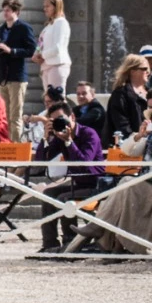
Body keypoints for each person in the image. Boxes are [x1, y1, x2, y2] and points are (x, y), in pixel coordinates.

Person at [73, 92, 152, 253]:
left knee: (125, 184)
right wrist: (139, 135)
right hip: (146, 186)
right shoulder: (150, 139)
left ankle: (100, 229)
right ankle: (116, 242)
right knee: (126, 189)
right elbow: (127, 150)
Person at [35, 102, 106, 254]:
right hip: (78, 184)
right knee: (49, 194)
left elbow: (85, 163)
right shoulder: (59, 136)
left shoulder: (89, 133)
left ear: (72, 117)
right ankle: (49, 244)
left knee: (64, 198)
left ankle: (71, 242)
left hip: (97, 184)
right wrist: (46, 139)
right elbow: (40, 162)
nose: (59, 123)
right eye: (54, 121)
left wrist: (69, 142)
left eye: (61, 118)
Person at [0, 0, 36, 134]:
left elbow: (31, 50)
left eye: (8, 10)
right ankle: (6, 145)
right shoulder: (1, 29)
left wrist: (12, 50)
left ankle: (16, 148)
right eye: (4, 10)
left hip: (17, 76)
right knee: (3, 115)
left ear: (16, 11)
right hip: (3, 76)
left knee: (15, 116)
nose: (5, 13)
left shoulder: (24, 28)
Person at [106, 53, 152, 139]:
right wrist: (135, 139)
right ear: (132, 71)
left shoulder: (151, 92)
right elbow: (121, 124)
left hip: (150, 142)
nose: (148, 72)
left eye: (149, 69)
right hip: (129, 145)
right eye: (145, 69)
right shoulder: (120, 94)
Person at [37, 0, 71, 96]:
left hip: (57, 64)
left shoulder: (61, 23)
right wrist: (36, 52)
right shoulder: (48, 25)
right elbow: (40, 43)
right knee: (49, 99)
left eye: (48, 6)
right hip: (46, 66)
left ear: (56, 6)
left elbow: (58, 47)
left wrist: (41, 55)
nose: (45, 9)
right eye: (44, 6)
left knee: (57, 99)